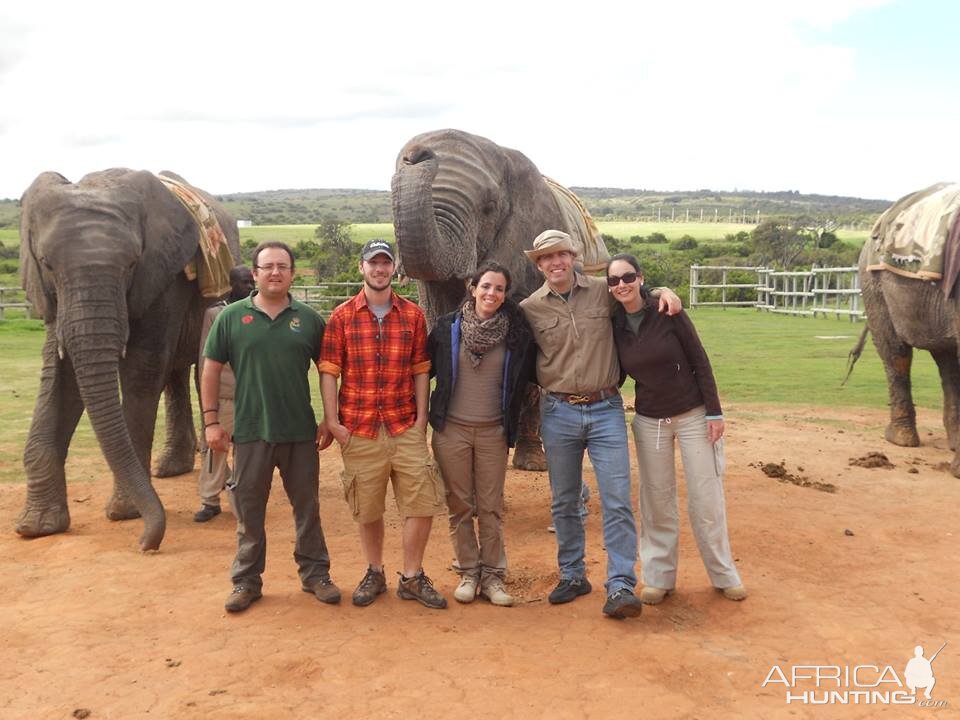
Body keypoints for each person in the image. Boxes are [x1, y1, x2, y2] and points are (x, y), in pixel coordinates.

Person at [519, 229, 681, 620]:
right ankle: (573, 575)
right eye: (546, 257)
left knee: (616, 499)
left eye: (561, 255)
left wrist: (663, 292)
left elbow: (636, 296)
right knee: (564, 500)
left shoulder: (602, 292)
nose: (555, 263)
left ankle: (621, 583)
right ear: (538, 264)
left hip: (606, 407)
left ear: (573, 257)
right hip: (557, 411)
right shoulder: (529, 308)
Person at [202, 241, 339, 613]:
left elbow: (328, 372)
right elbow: (210, 368)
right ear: (255, 274)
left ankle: (316, 575)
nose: (275, 272)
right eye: (268, 266)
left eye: (282, 266)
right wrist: (211, 421)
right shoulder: (231, 317)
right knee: (249, 511)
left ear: (292, 272)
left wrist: (329, 417)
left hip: (299, 432)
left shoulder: (309, 319)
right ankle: (246, 581)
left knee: (307, 507)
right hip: (249, 432)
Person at [605, 252, 746, 605]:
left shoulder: (666, 311)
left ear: (640, 278)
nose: (621, 285)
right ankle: (659, 577)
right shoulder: (613, 323)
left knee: (705, 495)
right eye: (613, 280)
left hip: (693, 413)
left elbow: (699, 359)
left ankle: (723, 574)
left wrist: (714, 412)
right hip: (650, 417)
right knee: (656, 498)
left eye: (627, 277)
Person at [319, 239, 448, 610]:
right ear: (362, 267)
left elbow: (420, 370)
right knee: (368, 506)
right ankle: (374, 571)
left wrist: (422, 418)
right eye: (373, 263)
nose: (379, 269)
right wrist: (333, 422)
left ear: (394, 269)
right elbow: (329, 371)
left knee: (421, 502)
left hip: (404, 423)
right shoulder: (342, 316)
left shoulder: (412, 315)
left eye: (385, 263)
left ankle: (411, 576)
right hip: (358, 427)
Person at [427, 261, 536, 607]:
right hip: (452, 431)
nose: (492, 293)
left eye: (499, 289)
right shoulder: (446, 329)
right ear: (472, 288)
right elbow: (421, 372)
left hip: (492, 432)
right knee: (459, 505)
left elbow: (535, 375)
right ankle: (467, 571)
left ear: (506, 296)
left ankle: (492, 576)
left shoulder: (516, 334)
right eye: (486, 286)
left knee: (490, 507)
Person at [194, 265, 255, 523]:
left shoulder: (260, 310)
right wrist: (208, 403)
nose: (250, 287)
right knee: (216, 449)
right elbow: (206, 359)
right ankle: (209, 500)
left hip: (253, 395)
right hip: (225, 395)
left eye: (252, 282)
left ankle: (241, 500)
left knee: (247, 453)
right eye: (244, 282)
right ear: (231, 284)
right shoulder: (216, 314)